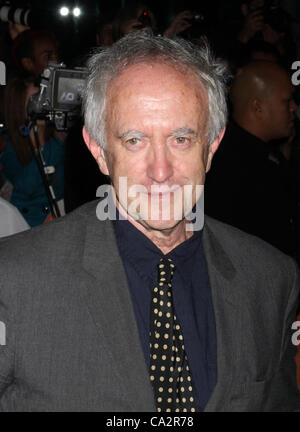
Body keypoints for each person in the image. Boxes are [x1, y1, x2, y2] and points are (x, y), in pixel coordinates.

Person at [0, 32, 299, 412]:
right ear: (99, 151)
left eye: (181, 139)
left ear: (211, 146)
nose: (161, 171)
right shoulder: (11, 283)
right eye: (135, 140)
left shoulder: (271, 279)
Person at [205, 61, 298, 258]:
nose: (294, 107)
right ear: (258, 107)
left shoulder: (263, 153)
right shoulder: (231, 165)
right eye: (286, 101)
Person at [0, 76, 65, 227]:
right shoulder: (7, 147)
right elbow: (26, 187)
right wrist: (54, 143)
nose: (42, 105)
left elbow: (60, 190)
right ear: (18, 107)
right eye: (35, 99)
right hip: (26, 229)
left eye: (44, 98)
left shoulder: (56, 142)